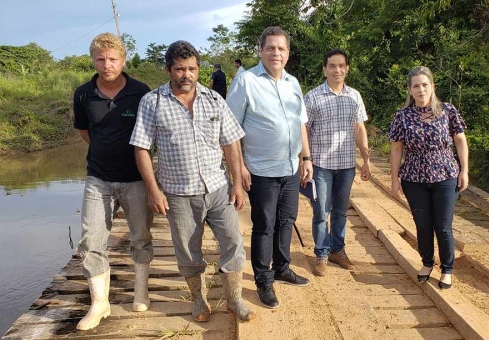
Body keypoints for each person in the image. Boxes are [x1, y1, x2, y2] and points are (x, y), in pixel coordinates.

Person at [130, 41, 256, 323]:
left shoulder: (214, 99)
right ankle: (198, 299)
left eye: (191, 69)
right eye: (179, 69)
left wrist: (237, 183)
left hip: (217, 188)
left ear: (199, 69)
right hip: (178, 193)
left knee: (233, 242)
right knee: (188, 251)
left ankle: (234, 299)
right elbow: (141, 148)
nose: (186, 74)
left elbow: (231, 143)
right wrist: (153, 190)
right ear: (168, 70)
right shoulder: (153, 102)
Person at [227, 26, 313, 309]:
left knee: (287, 221)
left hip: (289, 167)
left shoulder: (293, 83)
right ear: (261, 50)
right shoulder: (246, 82)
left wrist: (306, 158)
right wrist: (238, 169)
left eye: (281, 48)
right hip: (260, 170)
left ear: (288, 53)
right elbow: (230, 130)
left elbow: (300, 122)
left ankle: (282, 268)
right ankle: (263, 280)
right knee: (265, 225)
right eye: (271, 48)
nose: (276, 53)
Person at [73, 32, 154, 331]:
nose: (106, 64)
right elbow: (85, 133)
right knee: (91, 239)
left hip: (136, 177)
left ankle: (141, 289)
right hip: (98, 177)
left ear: (123, 60)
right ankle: (99, 302)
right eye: (100, 59)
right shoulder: (83, 94)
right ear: (93, 60)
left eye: (112, 59)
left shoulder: (140, 92)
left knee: (141, 235)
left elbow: (148, 136)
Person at [388, 66, 469, 290]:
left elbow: (460, 140)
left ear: (432, 86)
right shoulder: (402, 116)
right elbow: (396, 149)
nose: (421, 89)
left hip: (445, 175)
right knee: (422, 225)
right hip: (414, 178)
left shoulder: (448, 111)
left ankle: (447, 269)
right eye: (416, 86)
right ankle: (426, 262)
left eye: (425, 84)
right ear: (409, 90)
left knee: (443, 225)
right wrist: (394, 179)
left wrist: (464, 170)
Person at [304, 49, 371, 277]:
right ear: (324, 69)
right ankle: (321, 253)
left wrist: (366, 159)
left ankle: (338, 250)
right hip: (321, 164)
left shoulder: (355, 96)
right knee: (321, 211)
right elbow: (304, 128)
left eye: (341, 65)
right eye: (332, 66)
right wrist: (305, 159)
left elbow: (360, 127)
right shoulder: (313, 97)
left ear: (347, 68)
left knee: (341, 211)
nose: (337, 70)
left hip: (346, 165)